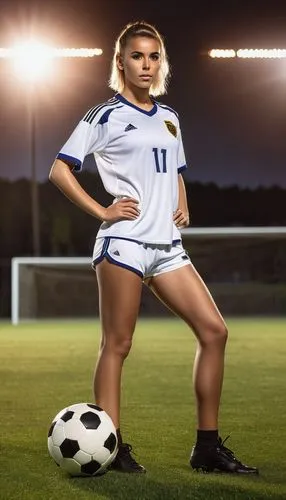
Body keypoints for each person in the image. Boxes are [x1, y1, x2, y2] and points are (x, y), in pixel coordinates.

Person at [49, 21, 258, 475]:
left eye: (154, 56)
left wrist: (181, 202)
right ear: (120, 61)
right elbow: (60, 170)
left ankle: (206, 448)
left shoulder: (170, 117)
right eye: (137, 56)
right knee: (118, 344)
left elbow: (174, 168)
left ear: (161, 62)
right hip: (123, 242)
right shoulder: (104, 115)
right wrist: (102, 211)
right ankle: (113, 446)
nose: (146, 65)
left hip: (166, 246)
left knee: (214, 332)